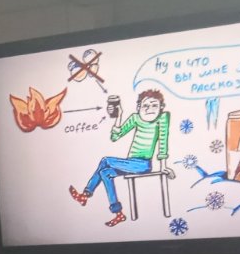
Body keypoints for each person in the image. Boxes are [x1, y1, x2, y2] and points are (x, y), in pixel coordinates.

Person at [70, 88, 173, 228]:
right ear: (139, 107)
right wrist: (119, 116)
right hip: (130, 163)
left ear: (161, 107)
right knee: (105, 173)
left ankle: (86, 194)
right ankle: (118, 214)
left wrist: (164, 166)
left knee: (105, 160)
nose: (149, 109)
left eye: (154, 105)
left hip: (143, 164)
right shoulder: (135, 118)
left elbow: (163, 142)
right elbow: (115, 137)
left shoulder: (162, 118)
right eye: (145, 106)